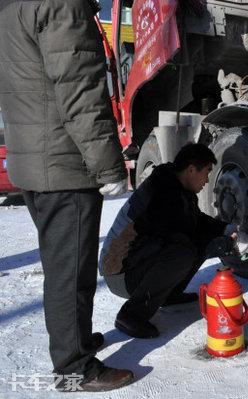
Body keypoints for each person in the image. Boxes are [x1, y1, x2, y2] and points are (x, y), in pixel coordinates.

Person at [0, 0, 134, 392]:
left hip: (34, 161)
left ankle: (74, 340)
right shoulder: (61, 5)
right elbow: (81, 94)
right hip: (63, 165)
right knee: (70, 275)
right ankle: (74, 367)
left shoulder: (11, 8)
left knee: (60, 265)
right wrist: (109, 167)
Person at [100, 143, 238, 338]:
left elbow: (195, 221)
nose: (207, 180)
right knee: (183, 251)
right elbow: (173, 233)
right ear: (191, 169)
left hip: (136, 263)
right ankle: (130, 315)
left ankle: (168, 294)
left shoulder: (178, 188)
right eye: (206, 172)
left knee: (191, 246)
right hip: (120, 272)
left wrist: (225, 229)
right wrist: (212, 245)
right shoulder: (160, 192)